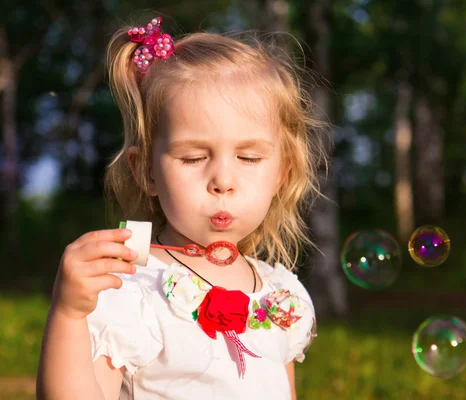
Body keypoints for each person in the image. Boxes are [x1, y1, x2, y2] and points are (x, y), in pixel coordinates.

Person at [36, 16, 327, 400]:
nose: (223, 180)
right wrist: (70, 316)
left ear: (280, 175)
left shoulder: (280, 296)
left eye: (249, 157)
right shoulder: (132, 294)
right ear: (146, 172)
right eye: (193, 158)